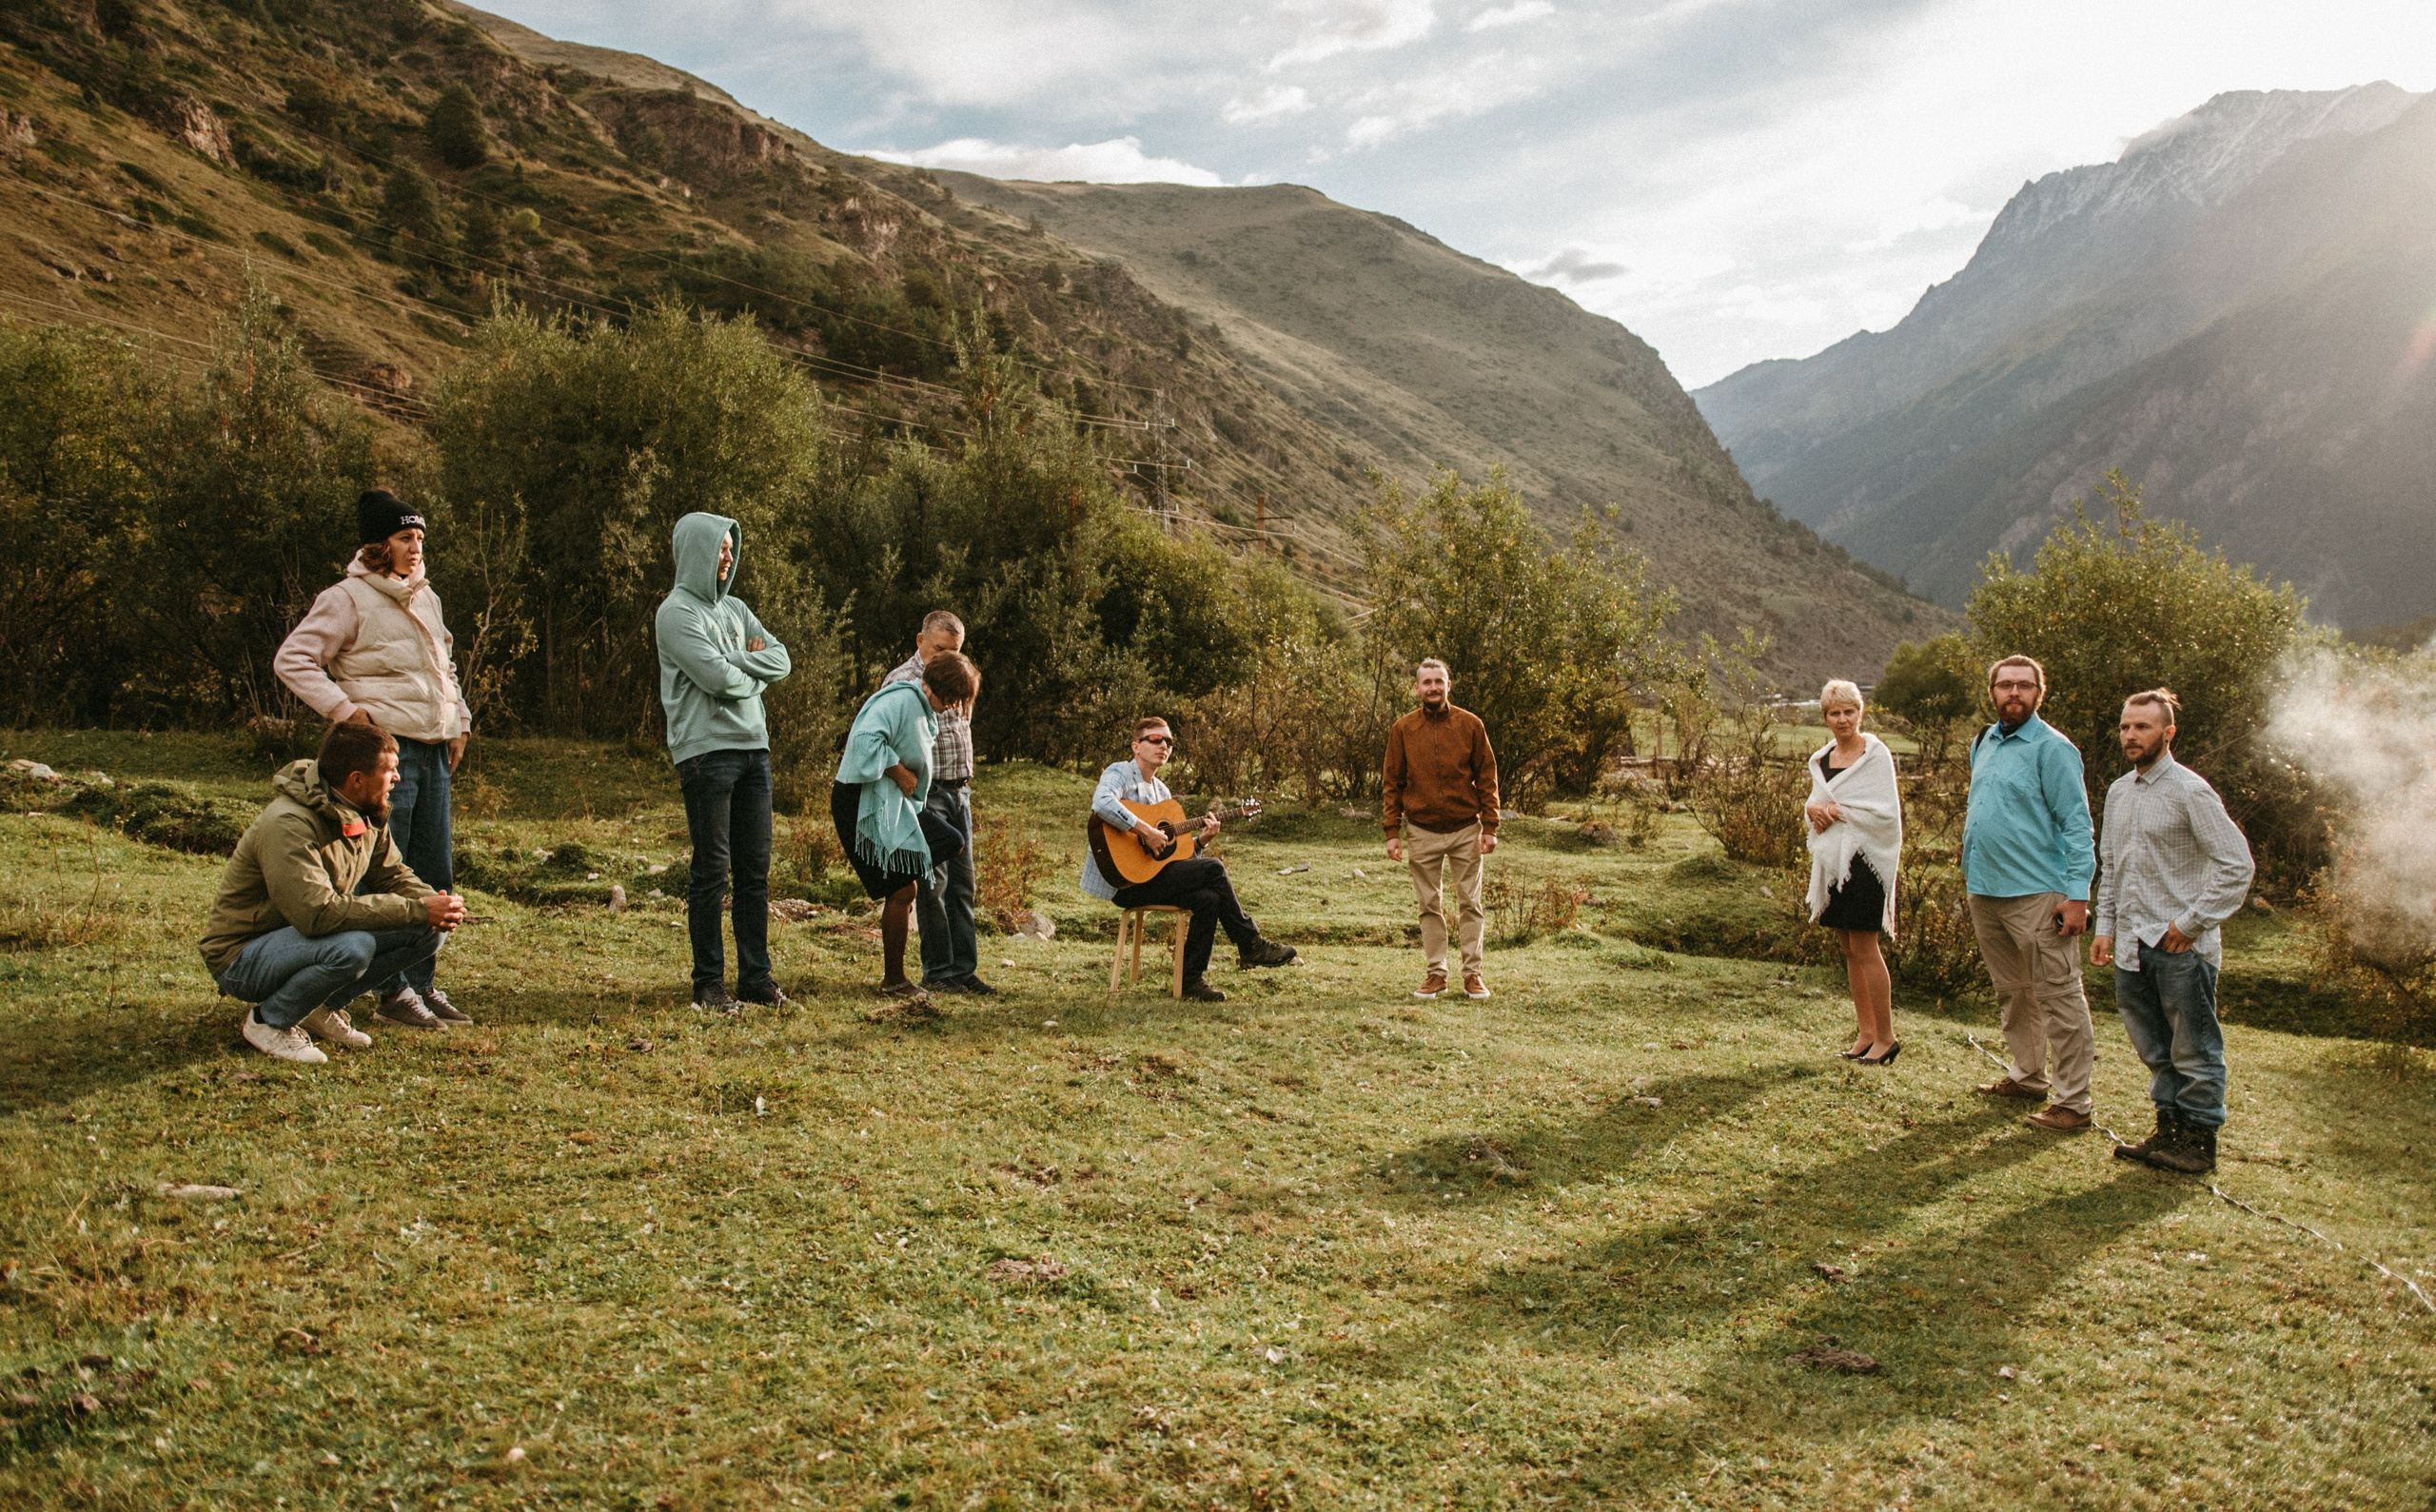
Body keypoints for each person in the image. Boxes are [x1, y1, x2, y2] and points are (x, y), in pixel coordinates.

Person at [272, 488, 473, 1030]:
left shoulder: (425, 595)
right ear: (380, 545)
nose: (416, 547)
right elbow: (293, 659)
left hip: (433, 753)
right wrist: (347, 712)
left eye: (420, 538)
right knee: (385, 871)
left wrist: (461, 721)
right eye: (405, 537)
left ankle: (423, 983)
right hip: (387, 751)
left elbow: (442, 668)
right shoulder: (346, 598)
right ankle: (390, 992)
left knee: (434, 871)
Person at [201, 721, 466, 1064]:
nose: (397, 779)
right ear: (357, 779)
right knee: (353, 948)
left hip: (300, 941)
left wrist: (435, 902)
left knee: (426, 932)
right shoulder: (289, 824)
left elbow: (391, 873)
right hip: (243, 958)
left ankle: (317, 1007)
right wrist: (417, 909)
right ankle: (268, 1021)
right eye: (390, 771)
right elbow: (318, 914)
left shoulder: (365, 811)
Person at [2092, 688, 2254, 1175]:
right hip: (2131, 946)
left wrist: (2192, 922)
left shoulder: (2191, 791)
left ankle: (2199, 1142)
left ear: (2168, 732)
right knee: (2154, 1046)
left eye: (2142, 726)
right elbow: (2114, 868)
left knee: (2195, 1047)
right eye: (2125, 726)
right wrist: (2105, 927)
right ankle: (2168, 1131)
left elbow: (2236, 865)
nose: (2130, 735)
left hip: (2180, 947)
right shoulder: (2119, 792)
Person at [656, 512, 793, 1015]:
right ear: (696, 550)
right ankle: (708, 983)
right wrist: (745, 666)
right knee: (713, 869)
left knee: (755, 871)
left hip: (755, 748)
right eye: (720, 547)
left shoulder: (736, 607)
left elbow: (782, 659)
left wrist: (736, 661)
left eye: (732, 549)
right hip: (705, 753)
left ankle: (756, 978)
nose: (728, 556)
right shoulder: (676, 613)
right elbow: (715, 679)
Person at [1962, 654, 2098, 1132]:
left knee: (2059, 995)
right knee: (2014, 992)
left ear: (2040, 693)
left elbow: (2078, 827)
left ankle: (2074, 1104)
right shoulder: (1984, 741)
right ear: (1992, 691)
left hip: (2038, 894)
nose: (2013, 694)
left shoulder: (2053, 748)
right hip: (1985, 890)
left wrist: (2078, 895)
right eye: (2005, 685)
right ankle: (2027, 1076)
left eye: (2023, 686)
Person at [1079, 717, 1298, 1002]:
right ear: (1136, 746)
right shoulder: (1119, 773)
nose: (1164, 746)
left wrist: (1202, 841)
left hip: (1155, 878)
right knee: (1215, 868)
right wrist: (1145, 830)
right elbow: (1102, 803)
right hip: (1125, 882)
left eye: (1169, 741)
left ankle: (1190, 982)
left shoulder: (1164, 795)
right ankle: (1250, 944)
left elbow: (1176, 857)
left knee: (1209, 898)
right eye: (1156, 739)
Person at [834, 653, 980, 1002]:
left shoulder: (925, 708)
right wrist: (899, 772)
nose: (952, 707)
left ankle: (906, 967)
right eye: (952, 698)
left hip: (891, 800)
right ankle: (895, 980)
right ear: (939, 687)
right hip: (860, 801)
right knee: (903, 891)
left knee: (951, 842)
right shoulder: (901, 699)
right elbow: (865, 740)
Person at [1382, 658, 1501, 1001]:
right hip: (1421, 830)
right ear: (1417, 688)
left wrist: (1489, 826)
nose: (1433, 687)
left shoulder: (1471, 725)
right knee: (1428, 904)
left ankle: (1472, 976)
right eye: (1426, 682)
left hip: (1467, 828)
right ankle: (1436, 974)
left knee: (1471, 903)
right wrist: (1393, 831)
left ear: (1449, 685)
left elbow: (1488, 777)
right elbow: (1392, 783)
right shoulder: (1402, 729)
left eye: (1439, 681)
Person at [885, 611, 987, 995]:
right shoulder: (902, 682)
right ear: (920, 641)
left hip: (960, 791)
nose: (948, 657)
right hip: (927, 794)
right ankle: (939, 970)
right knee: (935, 884)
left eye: (955, 650)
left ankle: (964, 969)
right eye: (941, 649)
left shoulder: (959, 677)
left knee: (963, 883)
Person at [1803, 679, 1903, 1064]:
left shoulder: (1875, 755)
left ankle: (1886, 1036)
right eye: (1834, 713)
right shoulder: (1821, 758)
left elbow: (1884, 815)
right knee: (1848, 948)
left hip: (1865, 863)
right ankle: (1865, 1032)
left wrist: (1837, 812)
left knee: (1865, 946)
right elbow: (1817, 803)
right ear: (1825, 717)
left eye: (1849, 711)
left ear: (1861, 713)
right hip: (1833, 864)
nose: (1843, 719)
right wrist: (1814, 810)